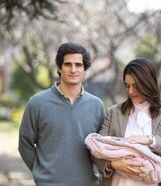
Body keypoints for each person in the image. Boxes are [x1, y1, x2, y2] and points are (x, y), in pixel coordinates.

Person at [18, 42, 105, 186]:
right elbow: (24, 143)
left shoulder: (97, 106)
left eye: (78, 65)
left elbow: (102, 148)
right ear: (59, 67)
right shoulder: (37, 103)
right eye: (67, 64)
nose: (73, 69)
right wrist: (41, 173)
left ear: (85, 70)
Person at [91, 57, 161, 186]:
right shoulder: (113, 113)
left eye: (136, 86)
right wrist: (113, 164)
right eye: (127, 86)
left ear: (148, 83)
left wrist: (151, 140)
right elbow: (96, 151)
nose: (130, 91)